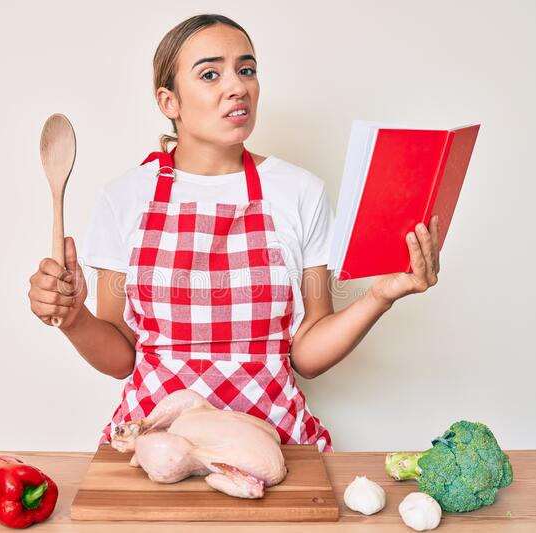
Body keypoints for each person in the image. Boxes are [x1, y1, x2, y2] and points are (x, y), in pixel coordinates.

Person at [27, 14, 441, 453]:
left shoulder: (300, 191)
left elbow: (307, 355)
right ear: (169, 102)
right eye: (210, 74)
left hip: (276, 441)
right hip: (155, 443)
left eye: (247, 69)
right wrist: (73, 320)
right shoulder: (124, 197)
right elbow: (121, 357)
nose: (238, 86)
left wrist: (381, 295)